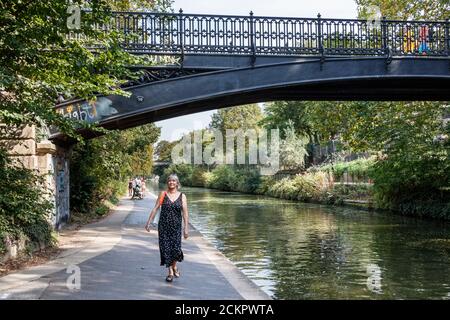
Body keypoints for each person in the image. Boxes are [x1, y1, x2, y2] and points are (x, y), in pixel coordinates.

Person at [145, 174, 189, 282]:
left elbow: (185, 213)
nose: (171, 182)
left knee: (176, 249)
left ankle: (174, 266)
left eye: (174, 181)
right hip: (164, 226)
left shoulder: (182, 196)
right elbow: (155, 208)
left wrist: (186, 228)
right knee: (165, 249)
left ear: (177, 183)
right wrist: (148, 222)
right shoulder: (163, 194)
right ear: (167, 183)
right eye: (169, 181)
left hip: (176, 227)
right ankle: (170, 272)